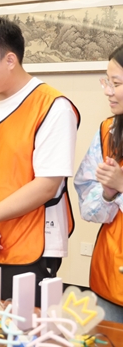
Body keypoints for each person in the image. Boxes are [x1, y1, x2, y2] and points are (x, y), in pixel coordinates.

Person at [0, 14, 79, 304]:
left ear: (10, 60)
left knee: (21, 325)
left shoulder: (52, 106)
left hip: (30, 244)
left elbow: (46, 185)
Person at [75, 44, 123, 323]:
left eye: (116, 83)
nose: (107, 91)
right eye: (107, 81)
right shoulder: (108, 131)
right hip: (110, 273)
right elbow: (89, 208)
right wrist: (107, 193)